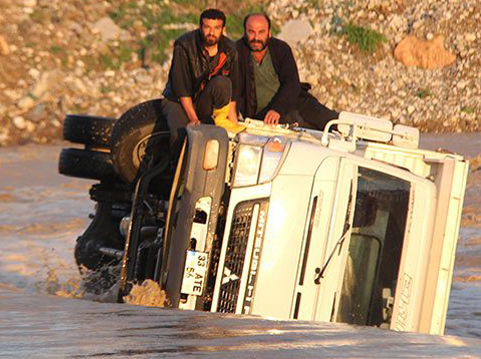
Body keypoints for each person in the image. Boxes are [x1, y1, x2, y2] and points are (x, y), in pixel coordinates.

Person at [236, 13, 339, 129]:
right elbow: (232, 89)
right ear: (245, 32)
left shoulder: (281, 49)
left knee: (331, 120)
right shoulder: (236, 52)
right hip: (262, 115)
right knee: (299, 126)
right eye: (251, 32)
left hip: (290, 102)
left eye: (261, 32)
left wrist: (277, 109)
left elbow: (292, 83)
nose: (256, 38)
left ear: (269, 33)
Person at [162, 8, 244, 145]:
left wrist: (233, 124)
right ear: (200, 27)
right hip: (177, 101)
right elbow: (181, 88)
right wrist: (194, 120)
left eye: (216, 28)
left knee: (223, 82)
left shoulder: (230, 49)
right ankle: (172, 165)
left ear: (223, 29)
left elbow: (232, 91)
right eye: (207, 27)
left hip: (203, 101)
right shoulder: (184, 45)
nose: (211, 33)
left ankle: (220, 120)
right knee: (182, 136)